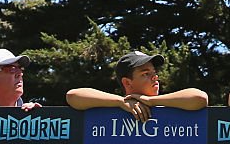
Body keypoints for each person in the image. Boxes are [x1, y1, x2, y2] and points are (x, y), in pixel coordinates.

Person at [66, 51, 208, 123]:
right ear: (127, 83)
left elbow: (200, 98)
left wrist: (151, 101)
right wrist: (121, 102)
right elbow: (73, 96)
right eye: (146, 74)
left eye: (154, 72)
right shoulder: (115, 105)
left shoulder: (171, 103)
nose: (155, 77)